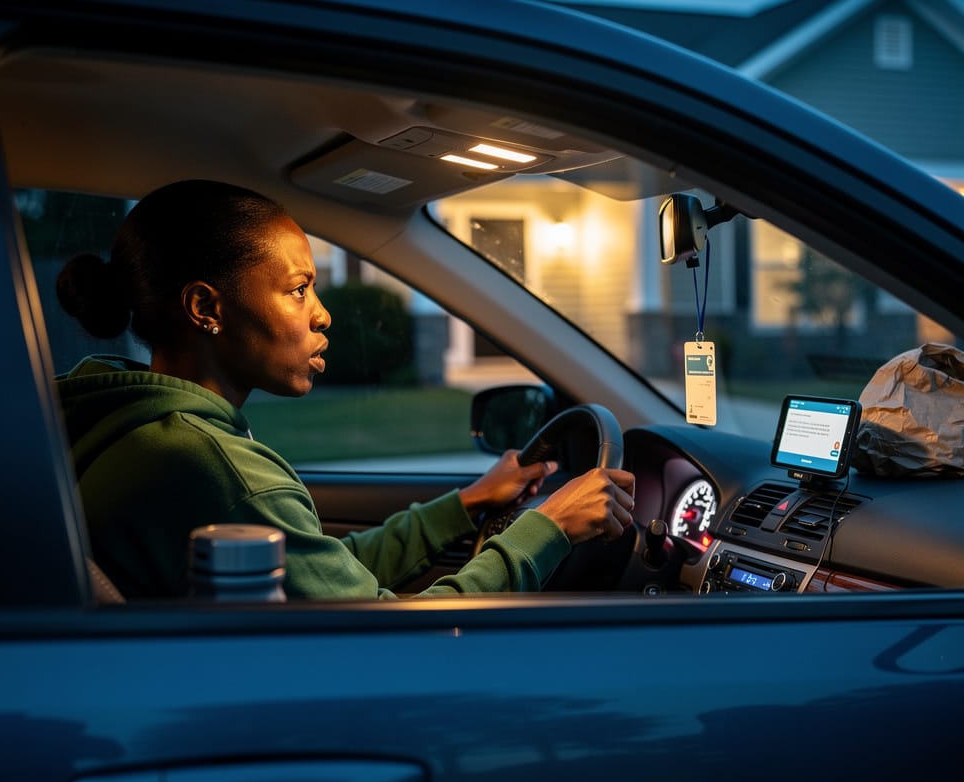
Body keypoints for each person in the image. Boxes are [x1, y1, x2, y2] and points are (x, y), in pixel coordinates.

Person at [55, 179, 636, 599]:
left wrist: (467, 504)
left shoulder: (129, 425)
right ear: (206, 308)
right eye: (298, 289)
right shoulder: (212, 468)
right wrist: (548, 529)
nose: (322, 313)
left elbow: (324, 572)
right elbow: (398, 644)